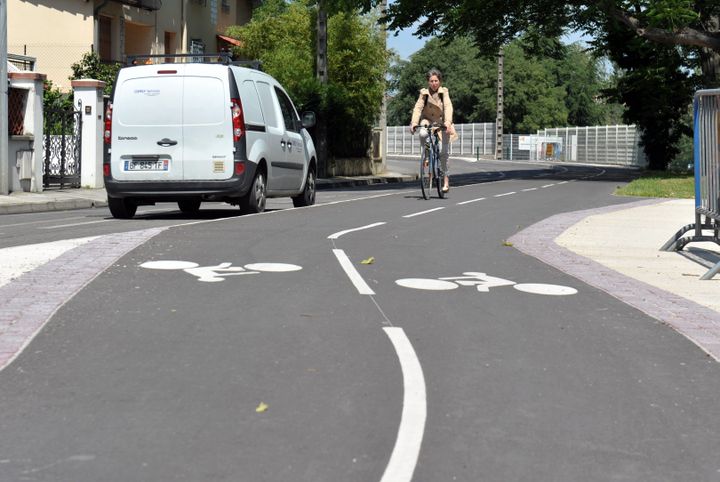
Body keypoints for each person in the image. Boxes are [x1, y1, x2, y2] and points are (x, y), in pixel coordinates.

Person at [410, 69, 456, 192]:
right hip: (428, 121)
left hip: (442, 123)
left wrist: (448, 122)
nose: (434, 83)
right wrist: (414, 123)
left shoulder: (444, 92)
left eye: (436, 81)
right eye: (431, 81)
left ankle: (445, 180)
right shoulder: (424, 94)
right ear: (428, 82)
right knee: (423, 132)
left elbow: (448, 107)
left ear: (440, 81)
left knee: (443, 153)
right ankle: (426, 154)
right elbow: (417, 108)